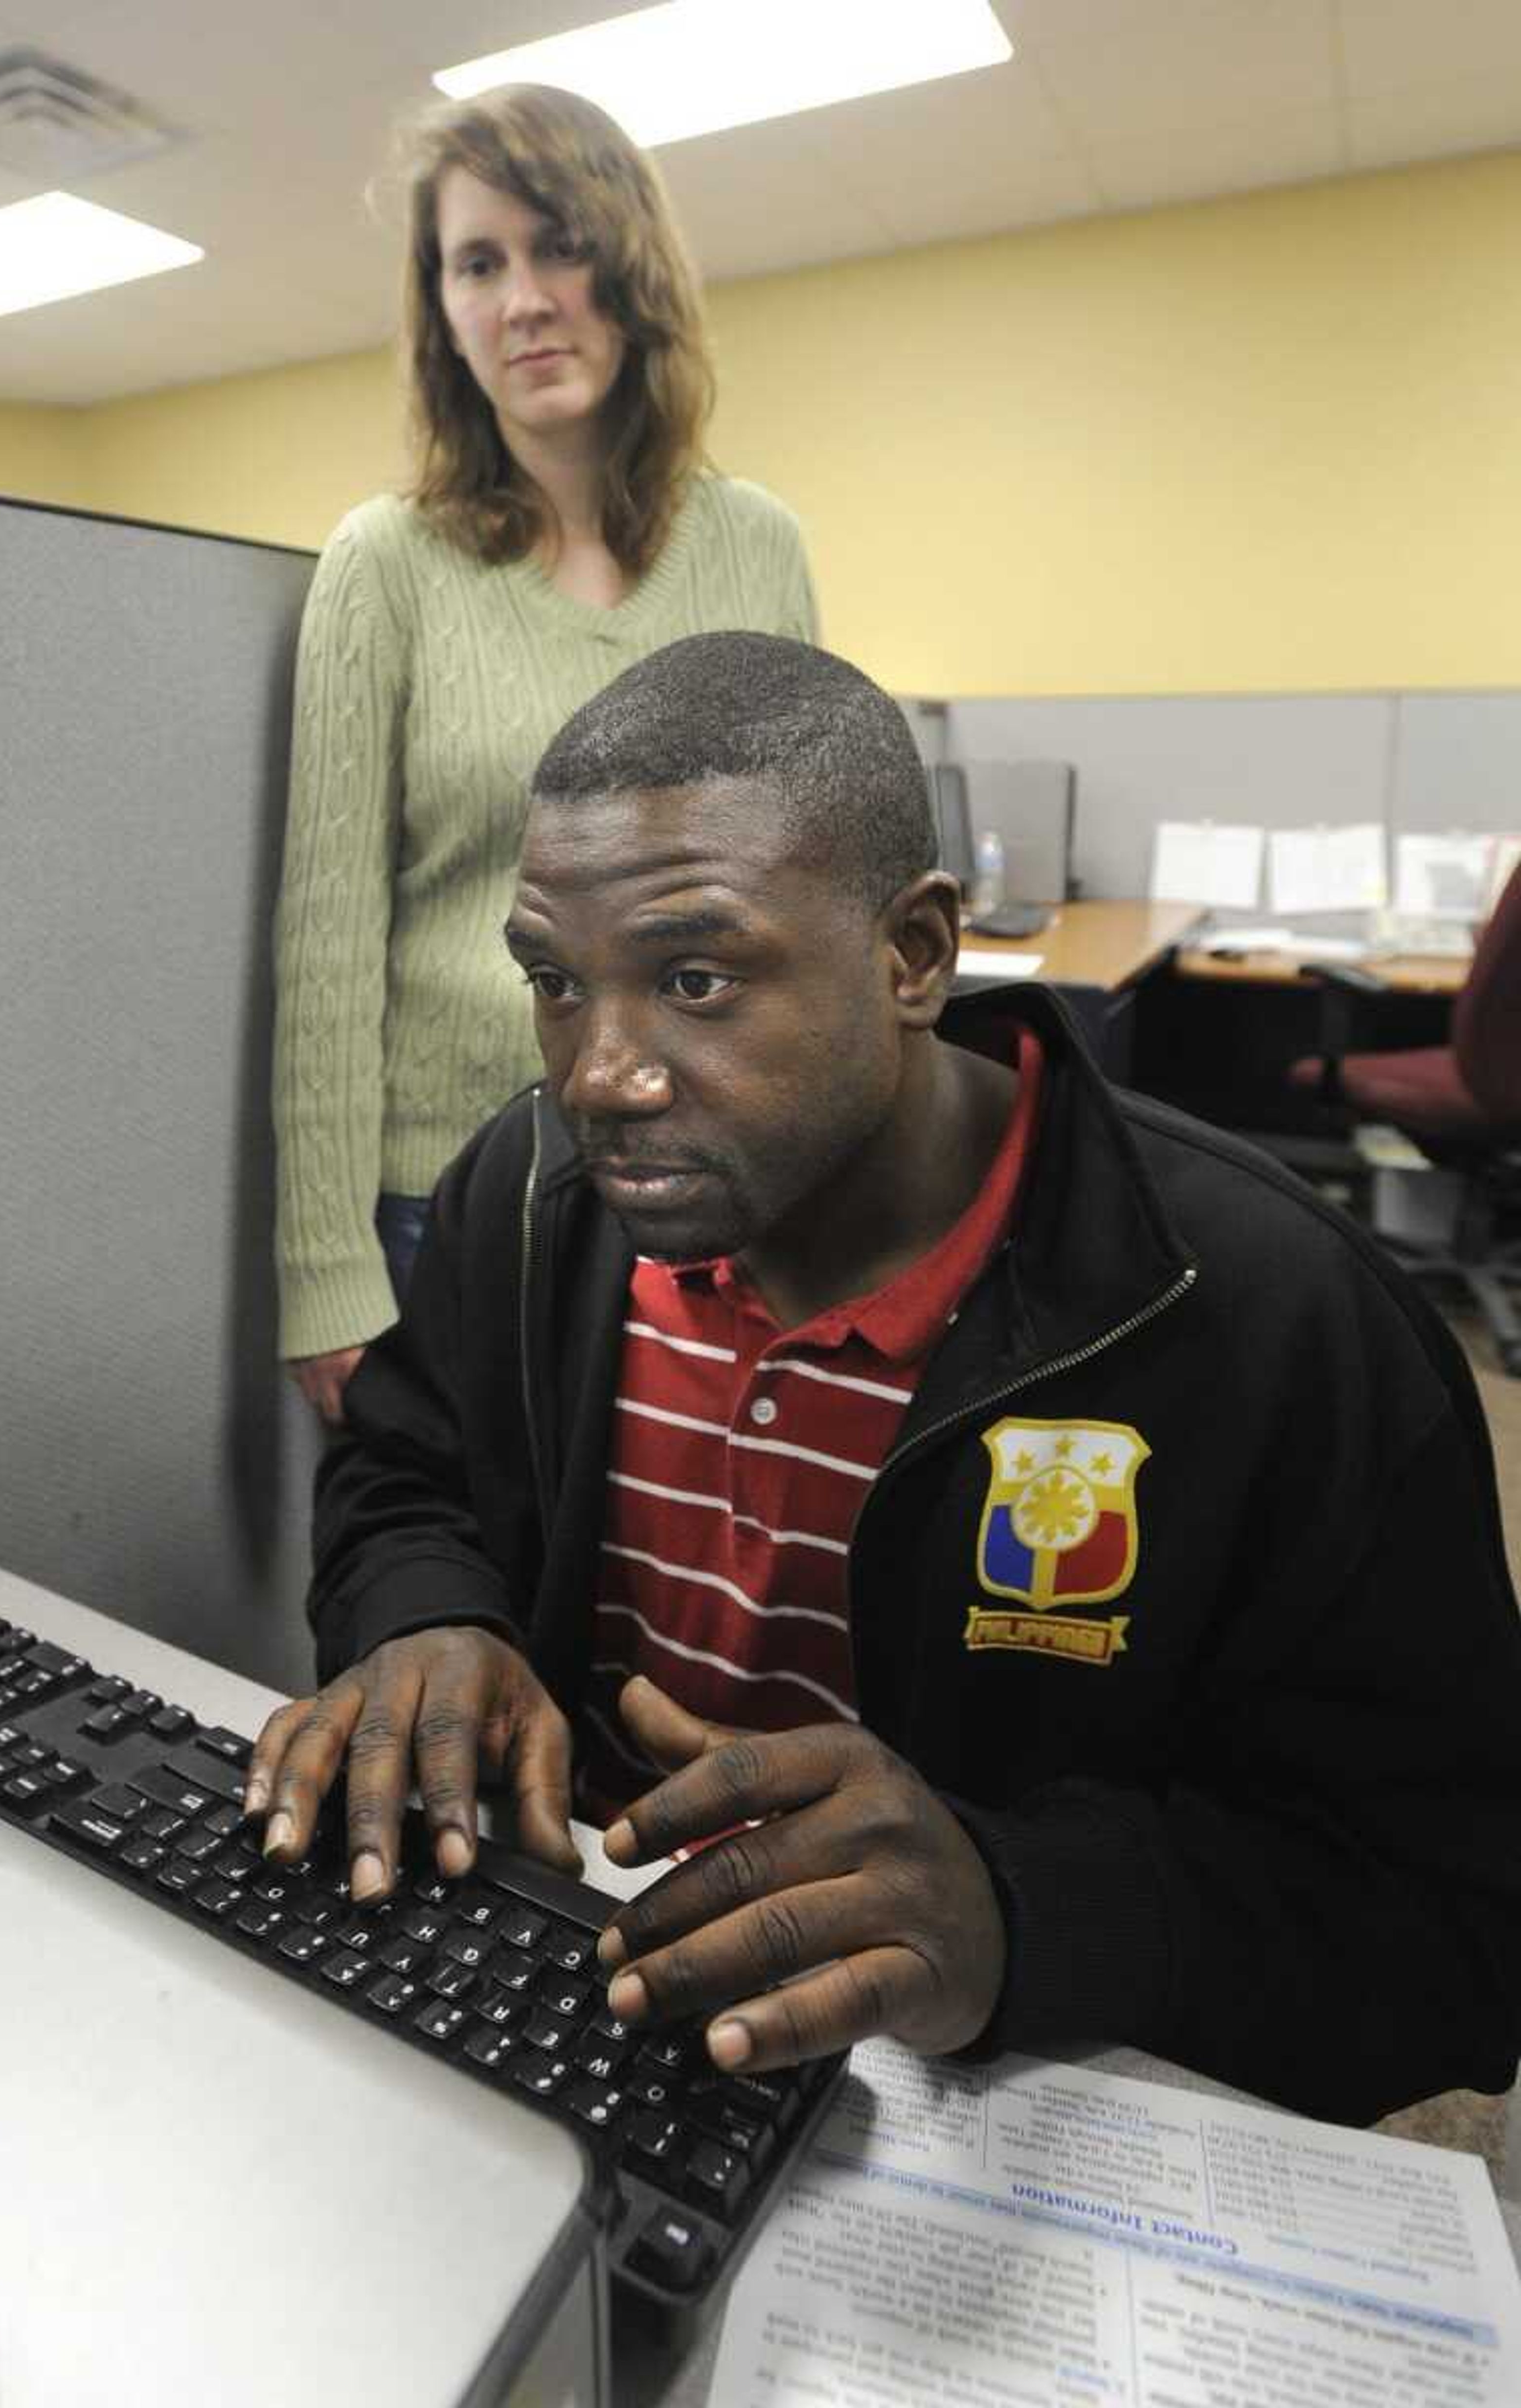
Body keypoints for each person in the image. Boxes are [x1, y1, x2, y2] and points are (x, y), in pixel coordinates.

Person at [247, 632, 1521, 2126]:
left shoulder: (1274, 1321)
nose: (600, 1072)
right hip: (580, 1994)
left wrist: (1017, 1909)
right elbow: (407, 1469)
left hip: (995, 2088)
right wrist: (430, 1618)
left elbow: (1448, 1936)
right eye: (555, 981)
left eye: (696, 976)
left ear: (914, 954)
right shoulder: (526, 1198)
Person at [272, 84, 817, 1427]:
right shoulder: (382, 567)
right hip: (449, 1202)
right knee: (459, 1615)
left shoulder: (758, 547)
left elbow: (814, 898)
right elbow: (328, 944)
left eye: (559, 243)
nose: (524, 298)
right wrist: (324, 1274)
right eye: (478, 262)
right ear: (443, 312)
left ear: (630, 265)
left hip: (718, 1182)